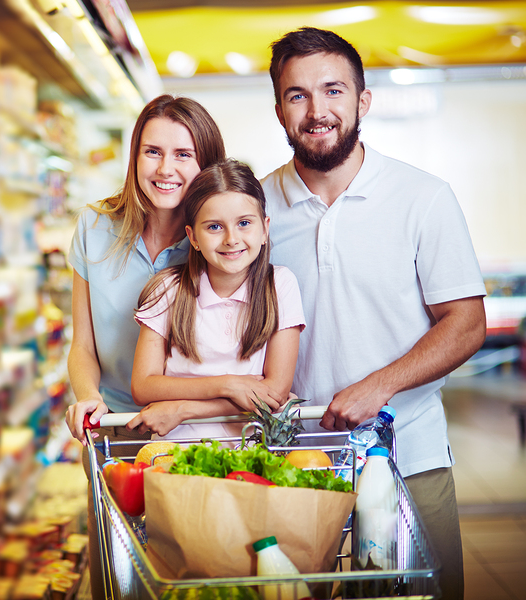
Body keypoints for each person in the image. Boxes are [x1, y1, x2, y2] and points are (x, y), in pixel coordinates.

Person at [261, 27, 486, 600]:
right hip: (291, 464)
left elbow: (465, 322)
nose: (318, 111)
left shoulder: (422, 197)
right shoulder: (253, 213)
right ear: (279, 109)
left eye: (334, 91)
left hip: (410, 455)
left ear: (362, 101)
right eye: (298, 95)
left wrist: (379, 386)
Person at [63, 94, 229, 600]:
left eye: (184, 154)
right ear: (134, 155)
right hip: (116, 438)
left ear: (206, 163)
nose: (166, 169)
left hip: (197, 436)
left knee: (192, 580)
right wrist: (87, 395)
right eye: (152, 151)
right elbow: (83, 344)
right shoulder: (95, 227)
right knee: (118, 581)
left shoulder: (217, 239)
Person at [129, 160, 305, 440]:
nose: (231, 239)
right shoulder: (167, 289)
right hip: (175, 452)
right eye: (214, 227)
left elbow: (274, 393)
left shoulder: (279, 285)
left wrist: (183, 410)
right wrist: (229, 385)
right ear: (193, 237)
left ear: (265, 229)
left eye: (244, 223)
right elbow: (143, 386)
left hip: (251, 451)